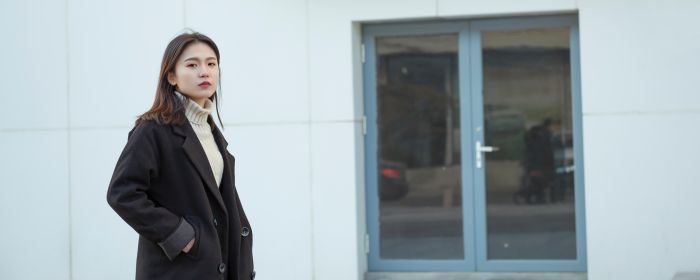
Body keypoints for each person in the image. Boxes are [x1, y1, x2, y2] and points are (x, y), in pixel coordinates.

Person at [107, 31, 255, 280]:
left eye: (211, 63)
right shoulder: (153, 129)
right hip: (178, 269)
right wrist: (180, 236)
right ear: (172, 77)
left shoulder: (210, 132)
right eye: (192, 65)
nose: (204, 71)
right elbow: (122, 193)